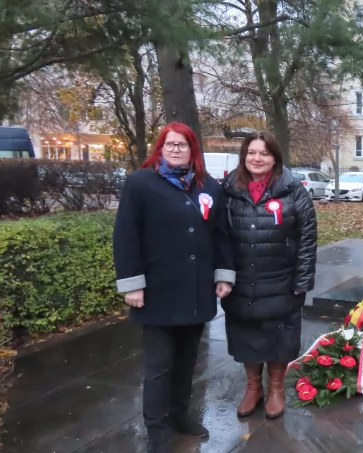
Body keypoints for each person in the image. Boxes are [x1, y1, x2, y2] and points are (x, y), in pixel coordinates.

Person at [113, 122, 234, 453]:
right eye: (170, 144)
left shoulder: (208, 185)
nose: (176, 149)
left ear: (192, 149)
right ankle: (156, 428)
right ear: (160, 148)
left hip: (196, 291)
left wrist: (223, 274)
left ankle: (181, 415)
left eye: (183, 144)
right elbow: (126, 235)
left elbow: (220, 233)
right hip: (158, 291)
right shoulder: (141, 183)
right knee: (159, 364)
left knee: (187, 361)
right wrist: (132, 284)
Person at [221, 130, 317, 420]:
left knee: (279, 336)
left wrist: (302, 280)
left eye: (264, 153)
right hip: (241, 280)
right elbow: (218, 234)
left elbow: (307, 237)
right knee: (246, 335)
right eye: (251, 152)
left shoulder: (292, 190)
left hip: (281, 279)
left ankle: (275, 388)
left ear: (275, 157)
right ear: (243, 156)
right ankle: (253, 388)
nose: (257, 158)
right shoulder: (228, 189)